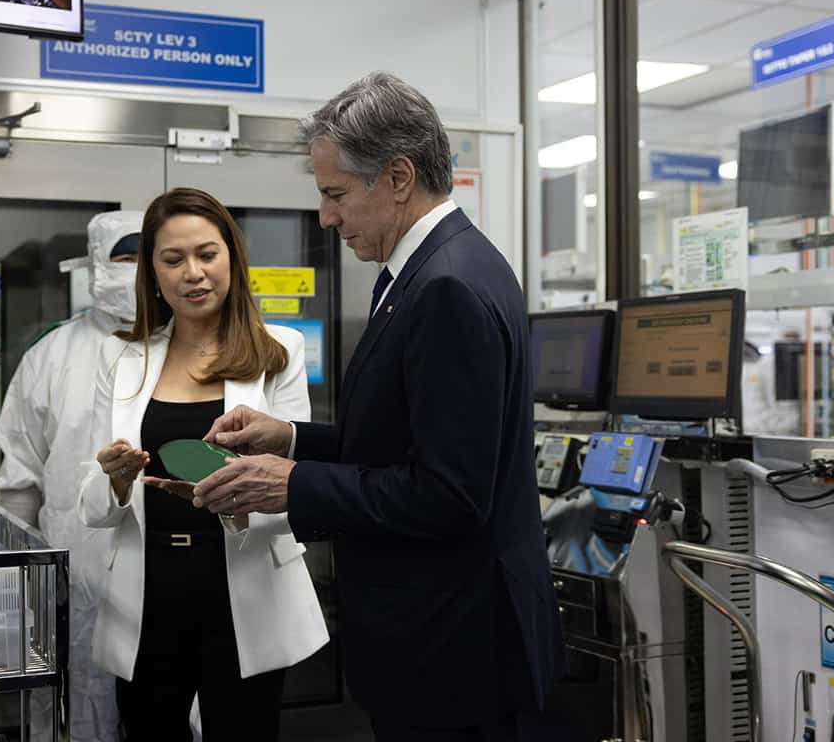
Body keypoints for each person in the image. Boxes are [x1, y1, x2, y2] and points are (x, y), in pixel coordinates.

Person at [191, 72, 566, 741]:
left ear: (397, 177)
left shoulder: (448, 288)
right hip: (440, 637)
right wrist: (293, 441)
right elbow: (406, 441)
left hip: (457, 650)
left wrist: (294, 487)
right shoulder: (422, 272)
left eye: (335, 194)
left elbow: (449, 494)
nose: (326, 217)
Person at [76, 187, 328, 742]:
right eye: (173, 259)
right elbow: (94, 507)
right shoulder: (121, 360)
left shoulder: (277, 351)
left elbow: (295, 487)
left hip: (243, 590)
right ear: (154, 273)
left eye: (207, 254)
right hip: (148, 598)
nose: (193, 273)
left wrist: (237, 494)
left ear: (232, 259)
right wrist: (116, 480)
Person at [0, 210, 142, 742]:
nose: (139, 271)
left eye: (153, 257)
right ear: (97, 266)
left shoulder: (200, 348)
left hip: (173, 576)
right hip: (76, 578)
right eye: (125, 258)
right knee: (82, 707)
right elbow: (18, 480)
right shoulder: (51, 356)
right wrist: (14, 586)